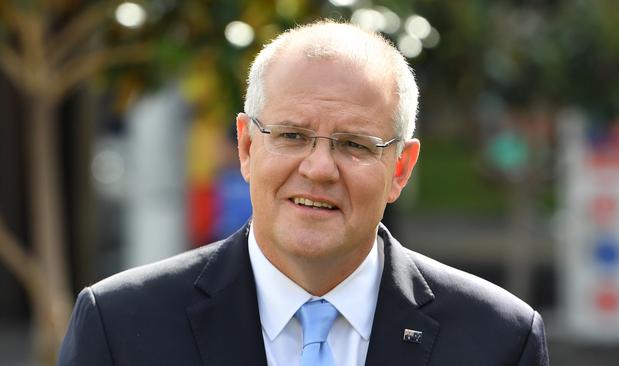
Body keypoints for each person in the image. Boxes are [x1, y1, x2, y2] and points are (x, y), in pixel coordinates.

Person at [58, 20, 549, 366]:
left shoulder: (498, 340)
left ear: (401, 168)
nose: (318, 169)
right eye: (291, 135)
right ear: (247, 146)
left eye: (354, 144)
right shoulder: (121, 326)